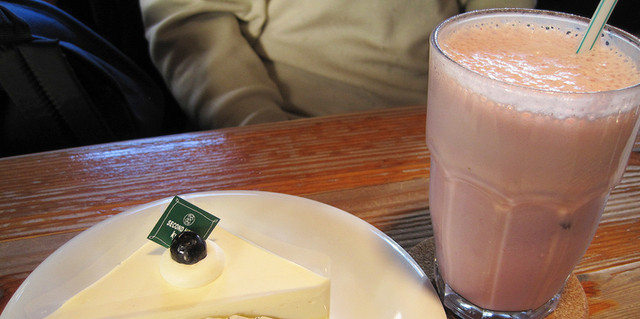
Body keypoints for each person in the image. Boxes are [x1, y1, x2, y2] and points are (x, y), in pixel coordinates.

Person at [139, 0, 536, 131]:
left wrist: (488, 99)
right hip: (303, 128)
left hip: (463, 113)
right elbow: (194, 25)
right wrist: (261, 130)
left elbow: (496, 9)